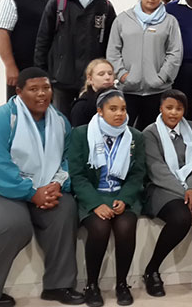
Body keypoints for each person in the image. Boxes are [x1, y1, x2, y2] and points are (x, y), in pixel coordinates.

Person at [0, 67, 83, 307]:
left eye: (46, 88)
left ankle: (58, 285)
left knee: (65, 208)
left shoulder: (60, 122)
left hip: (37, 187)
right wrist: (31, 193)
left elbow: (66, 159)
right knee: (12, 224)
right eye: (34, 89)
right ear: (19, 92)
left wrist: (56, 183)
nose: (42, 94)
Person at [68, 89, 145, 306]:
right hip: (93, 195)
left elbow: (138, 174)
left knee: (126, 227)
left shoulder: (134, 136)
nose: (119, 113)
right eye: (113, 109)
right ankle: (92, 285)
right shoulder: (81, 134)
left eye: (123, 109)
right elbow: (77, 175)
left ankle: (122, 284)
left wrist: (125, 198)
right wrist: (95, 203)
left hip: (122, 194)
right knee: (100, 228)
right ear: (100, 111)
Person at [142, 90, 192, 301]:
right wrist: (183, 191)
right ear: (160, 108)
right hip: (163, 187)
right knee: (181, 217)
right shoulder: (150, 133)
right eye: (169, 108)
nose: (173, 113)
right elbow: (156, 169)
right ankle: (152, 270)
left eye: (179, 109)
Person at [35, 0, 116, 117]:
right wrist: (43, 74)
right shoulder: (58, 2)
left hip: (93, 83)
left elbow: (112, 44)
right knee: (61, 122)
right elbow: (43, 40)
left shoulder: (105, 6)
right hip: (61, 80)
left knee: (91, 122)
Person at [107, 0, 183, 130]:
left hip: (158, 91)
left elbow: (175, 52)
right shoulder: (122, 19)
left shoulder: (170, 22)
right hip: (128, 90)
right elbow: (113, 51)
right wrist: (122, 74)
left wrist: (161, 77)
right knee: (124, 132)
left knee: (152, 134)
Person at [0, 0, 55, 100]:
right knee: (21, 109)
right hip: (22, 70)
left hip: (51, 71)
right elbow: (1, 32)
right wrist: (10, 66)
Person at [70, 58, 115, 127]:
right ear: (90, 79)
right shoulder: (81, 106)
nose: (107, 77)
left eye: (110, 73)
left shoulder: (120, 99)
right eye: (101, 74)